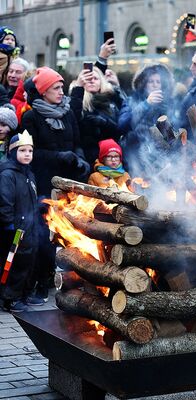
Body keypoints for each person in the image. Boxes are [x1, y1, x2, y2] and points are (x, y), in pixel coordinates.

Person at [22, 67, 89, 302]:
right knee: (45, 236)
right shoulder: (31, 117)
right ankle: (42, 282)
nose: (61, 91)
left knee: (72, 233)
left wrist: (81, 159)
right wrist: (58, 156)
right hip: (44, 185)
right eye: (56, 88)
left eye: (62, 87)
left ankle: (74, 281)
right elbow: (32, 153)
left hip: (69, 184)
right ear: (43, 92)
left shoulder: (68, 113)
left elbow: (77, 142)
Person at [0, 131, 40, 312]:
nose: (27, 154)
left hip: (29, 227)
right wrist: (10, 225)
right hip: (15, 229)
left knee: (27, 262)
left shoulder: (29, 175)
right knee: (13, 264)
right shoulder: (8, 175)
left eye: (30, 151)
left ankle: (23, 294)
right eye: (22, 150)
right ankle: (9, 298)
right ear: (12, 152)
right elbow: (4, 201)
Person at [70, 66, 124, 166]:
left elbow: (122, 125)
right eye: (88, 79)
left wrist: (104, 123)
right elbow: (73, 120)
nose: (92, 81)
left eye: (95, 78)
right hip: (89, 157)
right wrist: (78, 89)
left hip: (113, 155)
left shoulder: (111, 100)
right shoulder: (77, 100)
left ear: (101, 82)